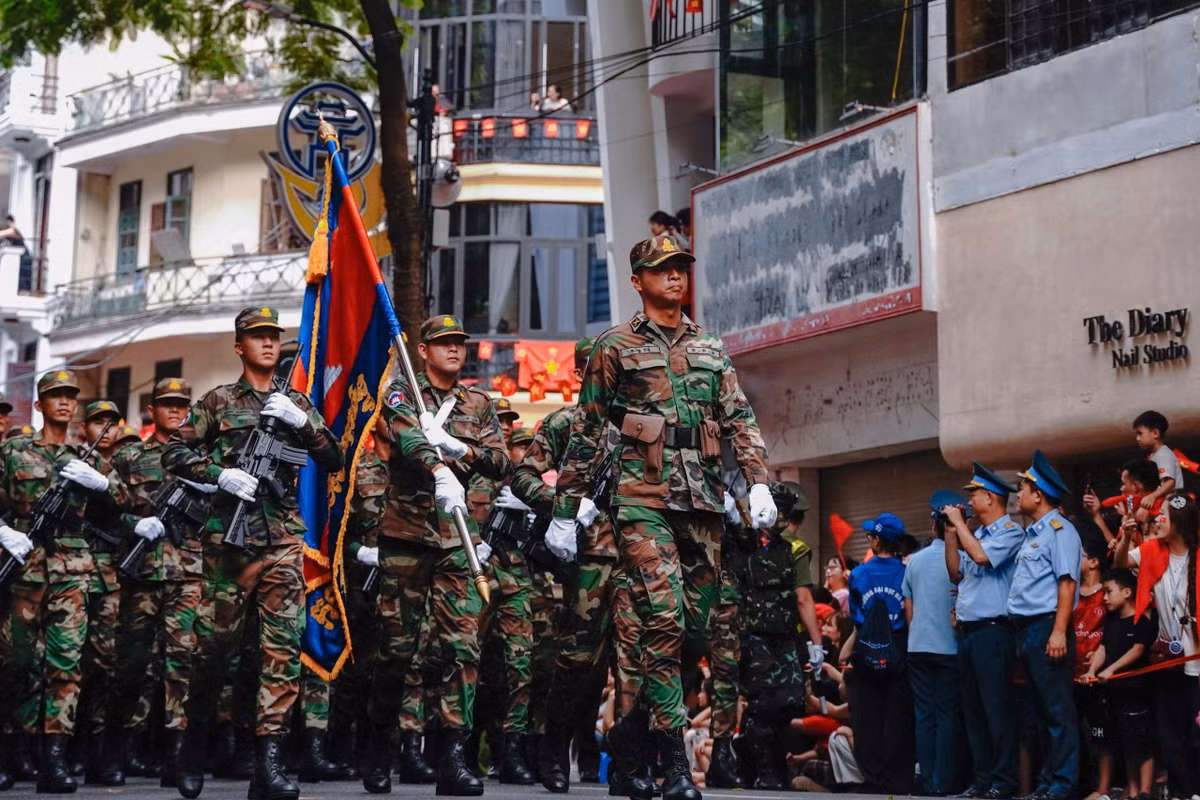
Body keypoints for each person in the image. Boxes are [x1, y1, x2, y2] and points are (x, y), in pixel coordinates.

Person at [547, 233, 776, 800]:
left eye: (680, 267)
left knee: (695, 631)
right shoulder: (614, 346)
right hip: (641, 500)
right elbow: (588, 428)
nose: (675, 276)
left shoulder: (711, 347)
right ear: (637, 280)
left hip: (701, 503)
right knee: (664, 619)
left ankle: (629, 732)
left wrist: (758, 481)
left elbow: (739, 417)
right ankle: (672, 764)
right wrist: (565, 508)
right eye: (662, 268)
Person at [163, 306, 342, 800]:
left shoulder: (296, 401)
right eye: (257, 336)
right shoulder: (217, 401)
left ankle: (269, 765)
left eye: (272, 336)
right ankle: (192, 746)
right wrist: (219, 474)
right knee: (214, 651)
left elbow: (333, 457)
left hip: (283, 539)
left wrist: (302, 423)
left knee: (281, 650)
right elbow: (174, 452)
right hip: (229, 542)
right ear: (239, 346)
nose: (267, 343)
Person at [362, 314, 507, 798]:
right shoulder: (402, 391)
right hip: (406, 536)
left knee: (461, 648)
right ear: (423, 350)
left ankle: (453, 759)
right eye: (443, 343)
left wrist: (459, 451)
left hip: (456, 539)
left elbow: (499, 460)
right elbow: (405, 436)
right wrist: (435, 464)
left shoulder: (478, 404)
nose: (453, 349)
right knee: (397, 651)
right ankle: (379, 743)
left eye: (459, 343)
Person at [509, 337, 636, 795]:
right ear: (584, 374)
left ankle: (629, 760)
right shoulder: (564, 423)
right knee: (578, 661)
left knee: (635, 661)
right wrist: (564, 506)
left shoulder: (640, 424)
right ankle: (554, 746)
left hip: (640, 554)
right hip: (589, 558)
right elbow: (522, 477)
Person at [0, 371, 116, 792]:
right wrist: (3, 531)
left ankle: (54, 760)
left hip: (72, 573)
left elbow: (121, 508)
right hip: (24, 569)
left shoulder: (87, 457)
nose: (64, 402)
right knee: (15, 664)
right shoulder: (14, 451)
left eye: (70, 396)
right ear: (39, 405)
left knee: (66, 666)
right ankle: (9, 751)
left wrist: (102, 485)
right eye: (55, 396)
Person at [109, 378, 212, 790]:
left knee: (181, 664)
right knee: (131, 666)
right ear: (152, 410)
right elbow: (100, 511)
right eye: (167, 404)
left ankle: (176, 757)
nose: (175, 410)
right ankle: (116, 750)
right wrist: (133, 524)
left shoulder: (203, 457)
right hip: (143, 574)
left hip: (189, 574)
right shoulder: (130, 456)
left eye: (182, 405)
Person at [729, 481, 821, 790]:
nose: (783, 517)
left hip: (783, 637)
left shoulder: (786, 549)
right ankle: (764, 769)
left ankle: (766, 757)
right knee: (762, 703)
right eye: (780, 510)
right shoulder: (746, 543)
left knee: (792, 701)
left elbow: (802, 598)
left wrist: (814, 644)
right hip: (754, 637)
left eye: (787, 512)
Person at [944, 462, 1024, 800]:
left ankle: (1004, 781)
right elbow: (956, 574)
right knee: (974, 711)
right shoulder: (974, 534)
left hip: (994, 631)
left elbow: (981, 558)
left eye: (974, 494)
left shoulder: (1011, 533)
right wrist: (951, 535)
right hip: (968, 631)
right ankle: (982, 780)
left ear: (990, 498)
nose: (969, 501)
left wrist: (960, 525)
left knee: (996, 709)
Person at [1115, 491, 1200, 800]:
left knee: (1196, 733)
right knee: (1169, 733)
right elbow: (1121, 562)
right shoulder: (1152, 549)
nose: (1158, 518)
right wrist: (1126, 537)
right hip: (1166, 659)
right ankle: (1180, 792)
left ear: (1180, 520)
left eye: (1164, 513)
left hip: (1197, 663)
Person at [1008, 450, 1082, 800]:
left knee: (1057, 710)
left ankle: (1063, 784)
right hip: (1027, 629)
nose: (1018, 494)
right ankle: (1048, 782)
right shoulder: (1033, 534)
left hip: (1047, 626)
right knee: (1040, 711)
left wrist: (1058, 630)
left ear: (1038, 494)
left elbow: (1066, 582)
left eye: (1023, 488)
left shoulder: (1060, 530)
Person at [844, 512, 913, 795]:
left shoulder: (859, 573)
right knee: (896, 715)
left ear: (876, 540)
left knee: (867, 716)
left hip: (867, 649)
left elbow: (855, 615)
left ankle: (872, 776)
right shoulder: (907, 572)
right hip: (899, 648)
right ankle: (896, 778)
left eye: (870, 535)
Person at [76, 400, 126, 786]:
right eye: (98, 423)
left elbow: (136, 506)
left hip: (112, 575)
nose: (105, 430)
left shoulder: (128, 463)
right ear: (84, 428)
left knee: (105, 665)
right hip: (69, 571)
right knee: (62, 664)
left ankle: (97, 749)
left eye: (112, 423)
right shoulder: (71, 459)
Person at [904, 490, 964, 797]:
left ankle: (926, 779)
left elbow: (909, 609)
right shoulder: (962, 559)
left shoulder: (914, 561)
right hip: (949, 647)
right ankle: (943, 781)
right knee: (946, 716)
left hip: (918, 647)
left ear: (932, 524)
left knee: (924, 715)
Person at [1080, 568, 1156, 800]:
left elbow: (1138, 649)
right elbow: (1102, 648)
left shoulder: (1141, 622)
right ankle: (1132, 791)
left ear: (1127, 592)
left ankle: (1145, 791)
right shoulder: (1111, 621)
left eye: (1109, 592)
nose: (1104, 597)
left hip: (1136, 693)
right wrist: (1092, 671)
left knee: (1142, 743)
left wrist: (1112, 669)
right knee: (1125, 743)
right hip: (1114, 693)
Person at [1072, 534, 1111, 800]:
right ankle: (1082, 785)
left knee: (1101, 733)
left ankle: (1103, 789)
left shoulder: (1107, 593)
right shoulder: (1070, 590)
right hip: (1070, 673)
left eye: (1080, 555)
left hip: (1097, 676)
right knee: (1075, 733)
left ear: (1094, 562)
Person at [1083, 459, 1160, 545]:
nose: (1121, 489)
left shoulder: (1149, 516)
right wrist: (1096, 514)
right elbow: (1121, 550)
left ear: (1136, 486)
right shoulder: (1131, 513)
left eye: (1123, 483)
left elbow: (1134, 553)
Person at [1133, 410, 1183, 501]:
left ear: (1155, 433)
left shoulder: (1163, 455)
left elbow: (1170, 482)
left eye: (1140, 434)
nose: (1137, 438)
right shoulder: (1154, 455)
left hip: (1172, 500)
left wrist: (1152, 496)